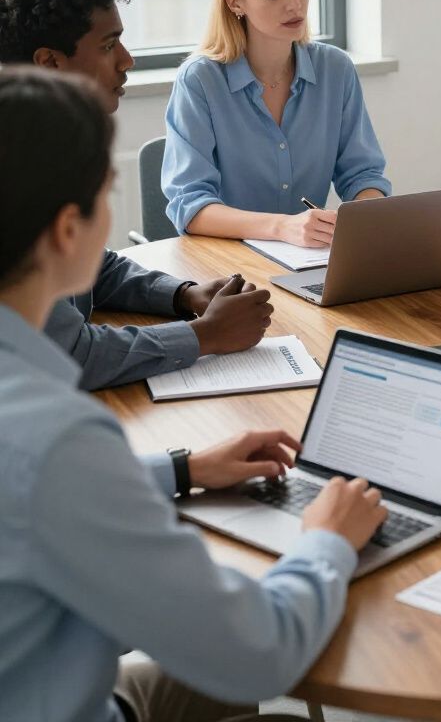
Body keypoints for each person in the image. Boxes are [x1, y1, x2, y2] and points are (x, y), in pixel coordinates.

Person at [0, 66, 388, 722]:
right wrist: (327, 540)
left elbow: (32, 492)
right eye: (109, 193)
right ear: (69, 231)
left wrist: (181, 468)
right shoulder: (58, 437)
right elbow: (259, 651)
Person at [0, 0, 271, 391]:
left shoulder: (44, 141)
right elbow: (69, 354)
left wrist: (184, 295)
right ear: (49, 61)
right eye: (108, 46)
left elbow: (92, 270)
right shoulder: (18, 170)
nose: (127, 60)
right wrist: (205, 335)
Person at [162, 0, 390, 248]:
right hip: (228, 272)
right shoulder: (200, 81)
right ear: (234, 2)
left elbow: (364, 177)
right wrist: (282, 227)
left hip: (310, 263)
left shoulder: (335, 70)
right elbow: (190, 207)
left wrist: (358, 223)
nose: (295, 4)